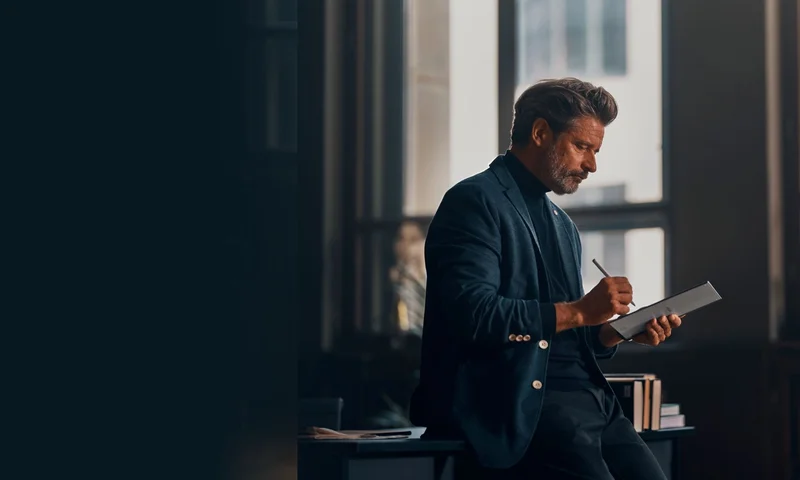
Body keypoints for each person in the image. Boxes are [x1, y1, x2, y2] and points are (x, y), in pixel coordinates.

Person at [409, 78, 683, 479]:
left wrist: (617, 331)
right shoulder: (474, 201)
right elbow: (471, 315)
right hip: (520, 405)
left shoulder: (562, 224)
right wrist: (578, 310)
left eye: (595, 151)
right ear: (539, 133)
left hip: (592, 403)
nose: (591, 165)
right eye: (582, 147)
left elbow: (568, 336)